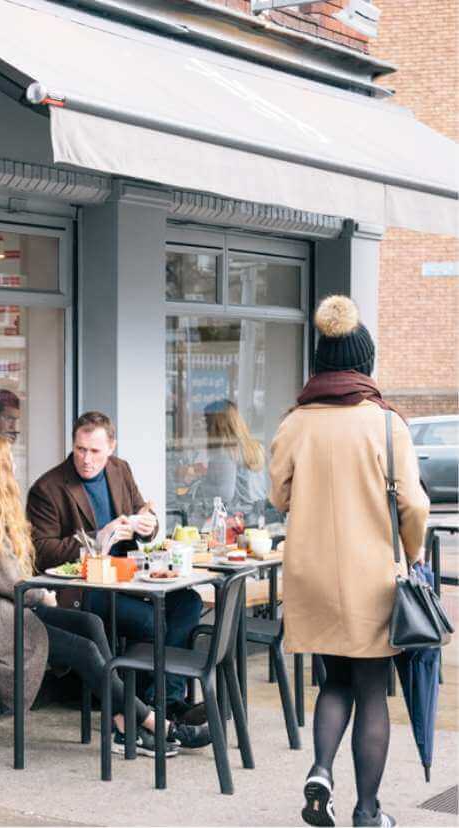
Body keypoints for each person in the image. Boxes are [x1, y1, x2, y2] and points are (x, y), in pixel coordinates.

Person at [0, 434, 207, 755]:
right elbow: (11, 579)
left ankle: (124, 718)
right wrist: (43, 597)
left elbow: (10, 579)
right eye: (8, 461)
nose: (13, 465)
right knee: (83, 650)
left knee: (91, 624)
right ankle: (158, 725)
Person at [270, 296, 429, 828]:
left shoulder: (295, 423)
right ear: (365, 363)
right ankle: (367, 811)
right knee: (370, 690)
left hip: (311, 577)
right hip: (371, 582)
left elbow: (277, 496)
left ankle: (320, 769)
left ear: (320, 362)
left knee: (332, 681)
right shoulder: (386, 425)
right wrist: (412, 552)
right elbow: (414, 504)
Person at [26, 412, 205, 721]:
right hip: (86, 587)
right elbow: (41, 553)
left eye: (94, 451)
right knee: (152, 621)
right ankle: (144, 710)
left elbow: (144, 518)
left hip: (129, 577)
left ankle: (163, 700)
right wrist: (98, 538)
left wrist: (147, 526)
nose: (85, 459)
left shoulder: (120, 470)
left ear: (111, 447)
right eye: (80, 449)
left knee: (188, 602)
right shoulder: (49, 488)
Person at [201, 399, 269, 520]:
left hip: (237, 522)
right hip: (258, 519)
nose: (205, 428)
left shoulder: (225, 453)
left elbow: (225, 494)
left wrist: (202, 485)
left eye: (207, 422)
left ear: (217, 425)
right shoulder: (257, 447)